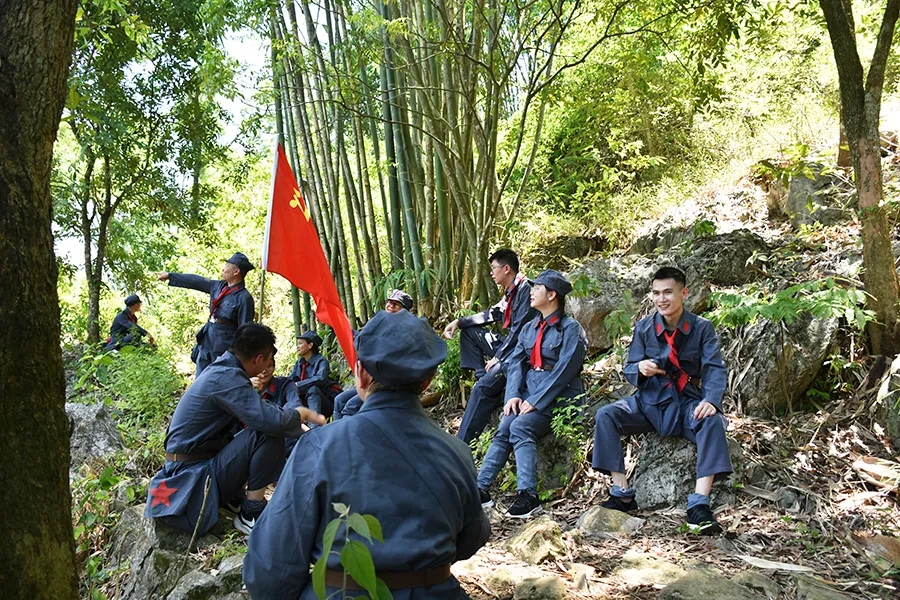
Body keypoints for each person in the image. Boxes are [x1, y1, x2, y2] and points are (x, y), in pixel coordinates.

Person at [244, 310, 490, 599]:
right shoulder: (457, 452)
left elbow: (270, 568)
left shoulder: (319, 446)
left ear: (361, 374)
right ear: (427, 381)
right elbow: (472, 538)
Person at [144, 323, 324, 537]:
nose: (268, 366)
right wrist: (300, 414)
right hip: (192, 472)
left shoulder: (222, 370)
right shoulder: (227, 378)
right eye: (268, 359)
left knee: (260, 428)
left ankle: (233, 499)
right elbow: (270, 421)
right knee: (266, 432)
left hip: (190, 463)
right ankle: (251, 513)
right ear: (258, 359)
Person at [591, 266, 731, 534]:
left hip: (686, 401)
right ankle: (622, 493)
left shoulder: (702, 328)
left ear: (684, 293)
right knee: (606, 415)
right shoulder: (644, 327)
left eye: (668, 292)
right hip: (650, 401)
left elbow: (714, 368)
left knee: (711, 421)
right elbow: (629, 368)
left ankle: (699, 505)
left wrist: (711, 401)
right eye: (656, 293)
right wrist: (640, 368)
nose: (661, 299)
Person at [476, 270, 587, 518]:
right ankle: (480, 489)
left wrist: (536, 401)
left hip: (559, 396)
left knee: (520, 426)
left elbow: (565, 371)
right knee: (505, 426)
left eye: (537, 287)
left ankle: (528, 496)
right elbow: (516, 363)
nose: (531, 291)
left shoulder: (571, 329)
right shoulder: (530, 327)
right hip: (528, 391)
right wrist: (513, 395)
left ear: (552, 294)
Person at [443, 249, 537, 444]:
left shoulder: (526, 290)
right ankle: (481, 375)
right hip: (509, 348)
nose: (491, 273)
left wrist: (499, 356)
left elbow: (519, 331)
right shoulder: (511, 291)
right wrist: (459, 322)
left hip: (521, 354)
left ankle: (461, 443)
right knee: (469, 331)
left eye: (494, 268)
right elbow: (492, 314)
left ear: (506, 268)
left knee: (481, 390)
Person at [157, 252, 255, 376]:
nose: (223, 269)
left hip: (223, 349)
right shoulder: (218, 287)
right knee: (200, 379)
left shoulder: (244, 298)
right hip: (207, 340)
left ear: (236, 272)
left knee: (218, 380)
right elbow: (195, 281)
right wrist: (170, 276)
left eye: (227, 266)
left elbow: (244, 332)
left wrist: (237, 357)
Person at [332, 288, 413, 420]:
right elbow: (364, 340)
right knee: (339, 400)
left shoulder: (405, 330)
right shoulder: (380, 322)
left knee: (351, 407)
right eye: (389, 302)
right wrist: (344, 329)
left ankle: (348, 432)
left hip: (388, 384)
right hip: (373, 381)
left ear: (404, 310)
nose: (390, 306)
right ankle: (337, 431)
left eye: (396, 304)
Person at [289, 331, 332, 422]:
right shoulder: (299, 363)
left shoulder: (321, 361)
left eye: (300, 343)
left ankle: (315, 425)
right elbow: (292, 378)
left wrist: (298, 385)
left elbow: (321, 378)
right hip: (305, 402)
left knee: (313, 389)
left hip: (323, 404)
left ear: (310, 345)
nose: (297, 346)